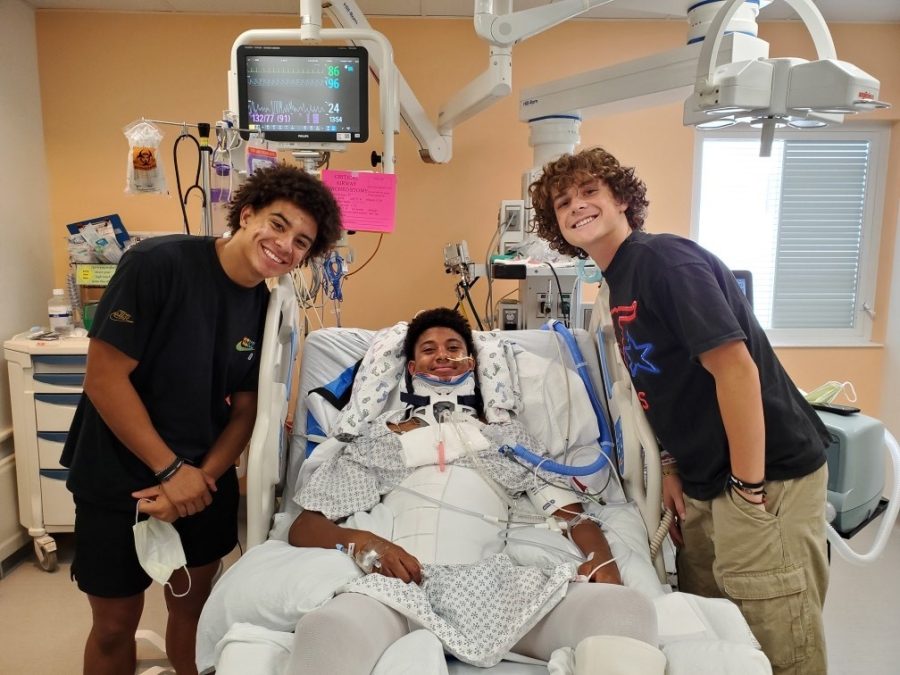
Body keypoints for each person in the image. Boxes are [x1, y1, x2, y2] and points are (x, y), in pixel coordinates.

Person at [529, 147, 831, 675]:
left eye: (590, 192)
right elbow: (658, 386)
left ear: (622, 199)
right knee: (713, 636)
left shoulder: (665, 261)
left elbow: (736, 371)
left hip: (764, 477)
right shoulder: (618, 282)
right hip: (704, 480)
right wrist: (671, 466)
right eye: (563, 202)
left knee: (776, 642)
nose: (576, 206)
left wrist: (747, 487)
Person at [61, 163, 343, 675]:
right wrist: (172, 472)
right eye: (278, 224)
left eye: (302, 242)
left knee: (194, 613)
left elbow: (247, 409)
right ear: (248, 212)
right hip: (118, 473)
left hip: (203, 480)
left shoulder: (267, 305)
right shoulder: (156, 264)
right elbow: (103, 380)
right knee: (113, 625)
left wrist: (202, 478)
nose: (286, 246)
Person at [286, 308, 659, 674]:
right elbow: (305, 526)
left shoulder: (506, 439)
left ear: (471, 365)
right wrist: (367, 544)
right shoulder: (383, 439)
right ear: (412, 369)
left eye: (453, 347)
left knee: (624, 611)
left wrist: (602, 559)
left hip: (496, 593)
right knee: (325, 633)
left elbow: (570, 511)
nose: (442, 356)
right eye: (428, 350)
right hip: (398, 590)